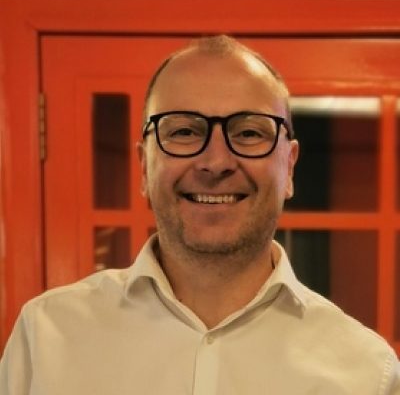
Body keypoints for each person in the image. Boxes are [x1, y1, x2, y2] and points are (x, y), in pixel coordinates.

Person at [1, 35, 399, 394]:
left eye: (249, 132)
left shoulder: (368, 374)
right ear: (144, 167)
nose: (216, 161)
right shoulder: (45, 338)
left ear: (289, 166)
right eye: (184, 132)